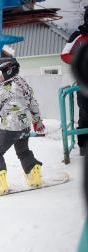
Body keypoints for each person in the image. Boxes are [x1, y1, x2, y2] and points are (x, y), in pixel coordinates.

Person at [0, 57, 45, 196]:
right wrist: (37, 121)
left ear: (8, 71)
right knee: (23, 152)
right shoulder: (23, 85)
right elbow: (33, 104)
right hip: (25, 125)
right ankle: (34, 176)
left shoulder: (5, 88)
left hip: (10, 127)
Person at [61, 5, 88, 156]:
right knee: (85, 114)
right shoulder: (78, 35)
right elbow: (64, 54)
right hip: (84, 82)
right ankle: (83, 145)